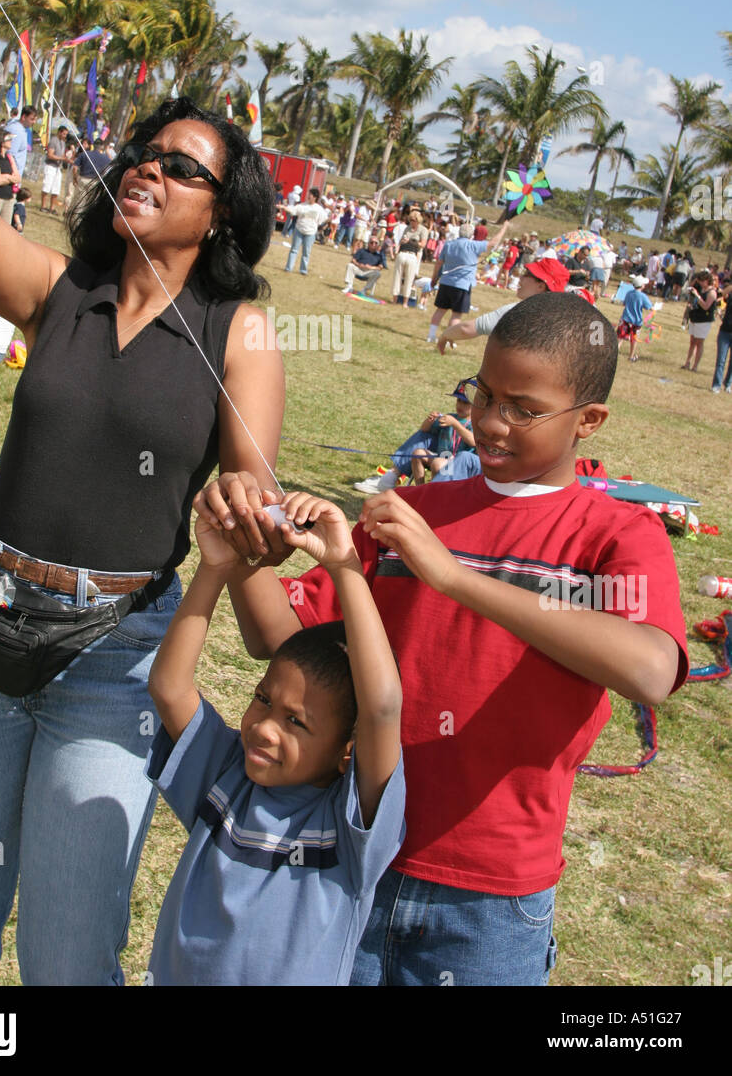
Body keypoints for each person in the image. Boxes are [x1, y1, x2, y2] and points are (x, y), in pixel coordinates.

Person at [0, 0, 284, 987]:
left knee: (73, 956)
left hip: (112, 662)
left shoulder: (238, 325)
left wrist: (264, 531)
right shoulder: (58, 291)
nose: (146, 171)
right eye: (143, 154)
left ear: (224, 209)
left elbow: (251, 487)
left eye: (180, 168)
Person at [207, 292, 688, 987]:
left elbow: (650, 667)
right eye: (482, 395)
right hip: (359, 855)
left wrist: (453, 577)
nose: (489, 423)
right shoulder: (411, 515)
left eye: (523, 409)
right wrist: (242, 552)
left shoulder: (613, 535)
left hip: (490, 896)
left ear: (588, 421)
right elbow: (275, 640)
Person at [144, 491, 405, 986]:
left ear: (347, 752)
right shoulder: (227, 777)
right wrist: (213, 569)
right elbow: (169, 687)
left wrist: (345, 563)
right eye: (263, 700)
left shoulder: (352, 832)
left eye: (296, 722)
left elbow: (381, 706)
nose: (264, 727)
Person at [354, 387, 475, 494]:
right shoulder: (450, 417)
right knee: (417, 453)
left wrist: (455, 425)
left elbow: (474, 442)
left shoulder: (473, 424)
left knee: (438, 463)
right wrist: (430, 420)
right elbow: (424, 430)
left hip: (457, 461)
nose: (460, 405)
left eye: (465, 402)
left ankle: (434, 495)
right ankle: (420, 491)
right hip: (442, 455)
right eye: (458, 400)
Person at [437, 257, 570, 351]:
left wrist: (445, 335)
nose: (521, 278)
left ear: (541, 286)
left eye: (527, 274)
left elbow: (467, 329)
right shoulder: (565, 319)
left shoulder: (518, 312)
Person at [426, 220, 508, 347]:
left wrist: (434, 279)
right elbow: (493, 243)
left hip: (446, 282)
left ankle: (431, 335)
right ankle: (449, 340)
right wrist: (504, 228)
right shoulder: (473, 246)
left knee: (440, 310)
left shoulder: (449, 245)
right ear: (472, 235)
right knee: (456, 315)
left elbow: (439, 263)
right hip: (462, 285)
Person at [284, 187, 327, 276]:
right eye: (308, 194)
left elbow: (324, 218)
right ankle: (289, 268)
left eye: (310, 194)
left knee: (306, 252)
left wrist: (319, 225)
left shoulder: (318, 209)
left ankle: (303, 270)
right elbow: (293, 210)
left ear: (315, 197)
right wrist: (284, 207)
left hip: (310, 233)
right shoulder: (302, 205)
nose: (308, 196)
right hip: (299, 230)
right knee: (294, 250)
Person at [391, 207, 429, 307]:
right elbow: (401, 240)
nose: (412, 222)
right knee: (399, 276)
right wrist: (397, 249)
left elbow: (423, 244)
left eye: (414, 220)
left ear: (418, 221)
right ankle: (395, 299)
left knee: (411, 277)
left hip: (416, 254)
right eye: (411, 220)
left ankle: (406, 301)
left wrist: (411, 242)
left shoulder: (423, 230)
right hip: (403, 252)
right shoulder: (407, 228)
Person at [682, 269, 718, 373]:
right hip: (695, 317)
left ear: (707, 280)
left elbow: (706, 306)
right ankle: (687, 363)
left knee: (699, 343)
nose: (700, 283)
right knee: (692, 341)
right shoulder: (700, 289)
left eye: (702, 281)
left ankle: (695, 366)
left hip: (704, 320)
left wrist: (697, 296)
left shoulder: (712, 293)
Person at [616, 275, 652, 362]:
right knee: (634, 339)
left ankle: (615, 352)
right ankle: (631, 356)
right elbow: (649, 307)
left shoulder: (629, 293)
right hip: (636, 321)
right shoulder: (643, 296)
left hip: (625, 319)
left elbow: (624, 303)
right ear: (642, 285)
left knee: (620, 337)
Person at [41, 125, 70, 213]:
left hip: (58, 168)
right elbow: (50, 155)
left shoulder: (63, 143)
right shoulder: (53, 140)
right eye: (64, 134)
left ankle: (52, 208)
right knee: (47, 186)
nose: (65, 136)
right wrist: (62, 159)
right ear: (59, 132)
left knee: (56, 188)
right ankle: (43, 206)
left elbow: (61, 155)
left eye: (66, 134)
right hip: (51, 166)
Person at [710, 282, 732, 393]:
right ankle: (716, 385)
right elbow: (723, 293)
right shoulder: (730, 294)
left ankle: (728, 384)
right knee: (720, 361)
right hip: (725, 332)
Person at [5, 104, 37, 181]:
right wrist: (14, 176)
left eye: (35, 119)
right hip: (11, 175)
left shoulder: (19, 128)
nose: (34, 122)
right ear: (23, 117)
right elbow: (10, 155)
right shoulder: (17, 131)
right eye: (32, 119)